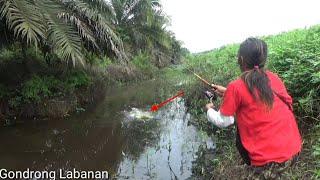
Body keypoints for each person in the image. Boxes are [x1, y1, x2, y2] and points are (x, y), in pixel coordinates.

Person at [205, 38, 302, 178]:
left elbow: (224, 121)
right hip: (294, 148)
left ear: (241, 59)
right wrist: (228, 93)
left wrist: (209, 109)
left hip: (268, 160)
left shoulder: (236, 87)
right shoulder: (273, 78)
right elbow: (258, 97)